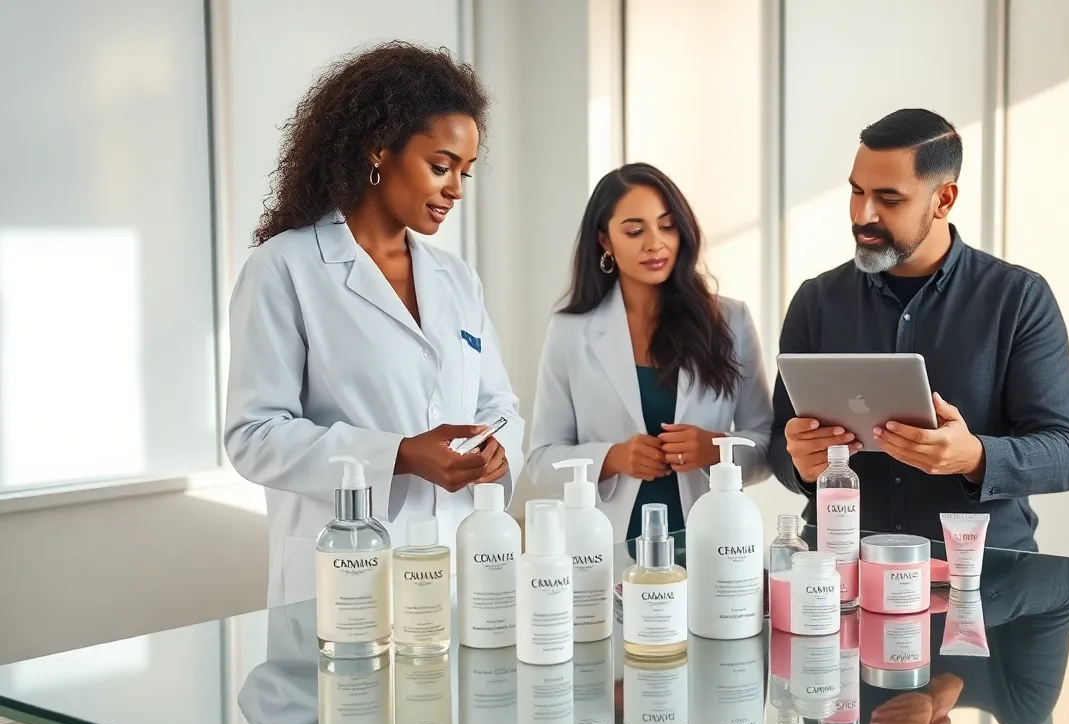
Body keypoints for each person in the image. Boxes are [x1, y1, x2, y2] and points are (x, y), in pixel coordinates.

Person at [224, 43, 523, 607]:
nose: (456, 189)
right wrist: (401, 454)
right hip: (342, 571)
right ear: (379, 149)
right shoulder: (286, 267)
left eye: (464, 172)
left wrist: (497, 449)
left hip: (453, 565)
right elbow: (254, 436)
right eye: (440, 167)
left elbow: (498, 403)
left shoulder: (457, 279)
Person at [769, 108, 1069, 551]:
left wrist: (975, 457)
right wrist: (800, 465)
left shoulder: (1018, 298)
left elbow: (1066, 454)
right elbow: (778, 443)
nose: (862, 214)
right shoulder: (815, 301)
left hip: (984, 569)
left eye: (889, 199)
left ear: (944, 199)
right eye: (857, 191)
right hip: (840, 567)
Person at [526, 163, 773, 541]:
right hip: (607, 547)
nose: (655, 243)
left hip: (712, 542)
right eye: (634, 231)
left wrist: (716, 449)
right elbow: (541, 462)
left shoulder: (730, 319)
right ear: (605, 241)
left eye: (667, 226)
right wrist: (612, 458)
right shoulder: (570, 331)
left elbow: (767, 445)